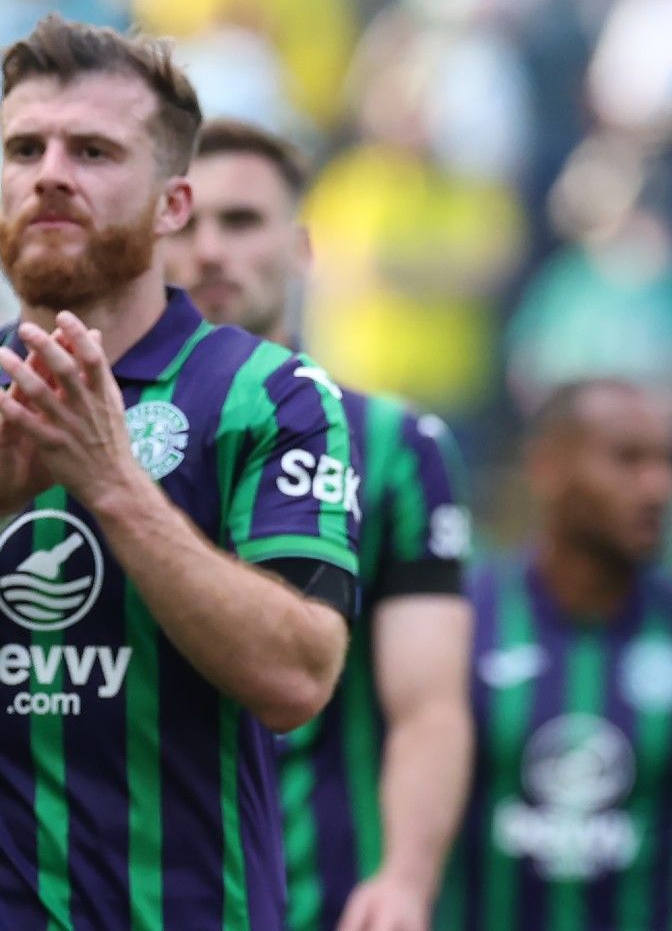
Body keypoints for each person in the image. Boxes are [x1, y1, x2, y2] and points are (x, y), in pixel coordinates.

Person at [0, 15, 359, 927]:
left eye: (92, 151)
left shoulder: (269, 395)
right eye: (24, 148)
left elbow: (297, 679)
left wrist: (114, 484)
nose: (50, 172)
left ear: (174, 205)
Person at [163, 118, 475, 931]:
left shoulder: (396, 449)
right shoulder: (93, 436)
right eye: (184, 223)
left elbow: (429, 706)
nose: (209, 252)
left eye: (241, 221)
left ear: (301, 248)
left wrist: (406, 879)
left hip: (326, 907)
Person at [438, 379, 672, 931]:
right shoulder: (462, 621)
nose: (659, 486)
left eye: (667, 462)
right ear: (547, 468)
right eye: (627, 460)